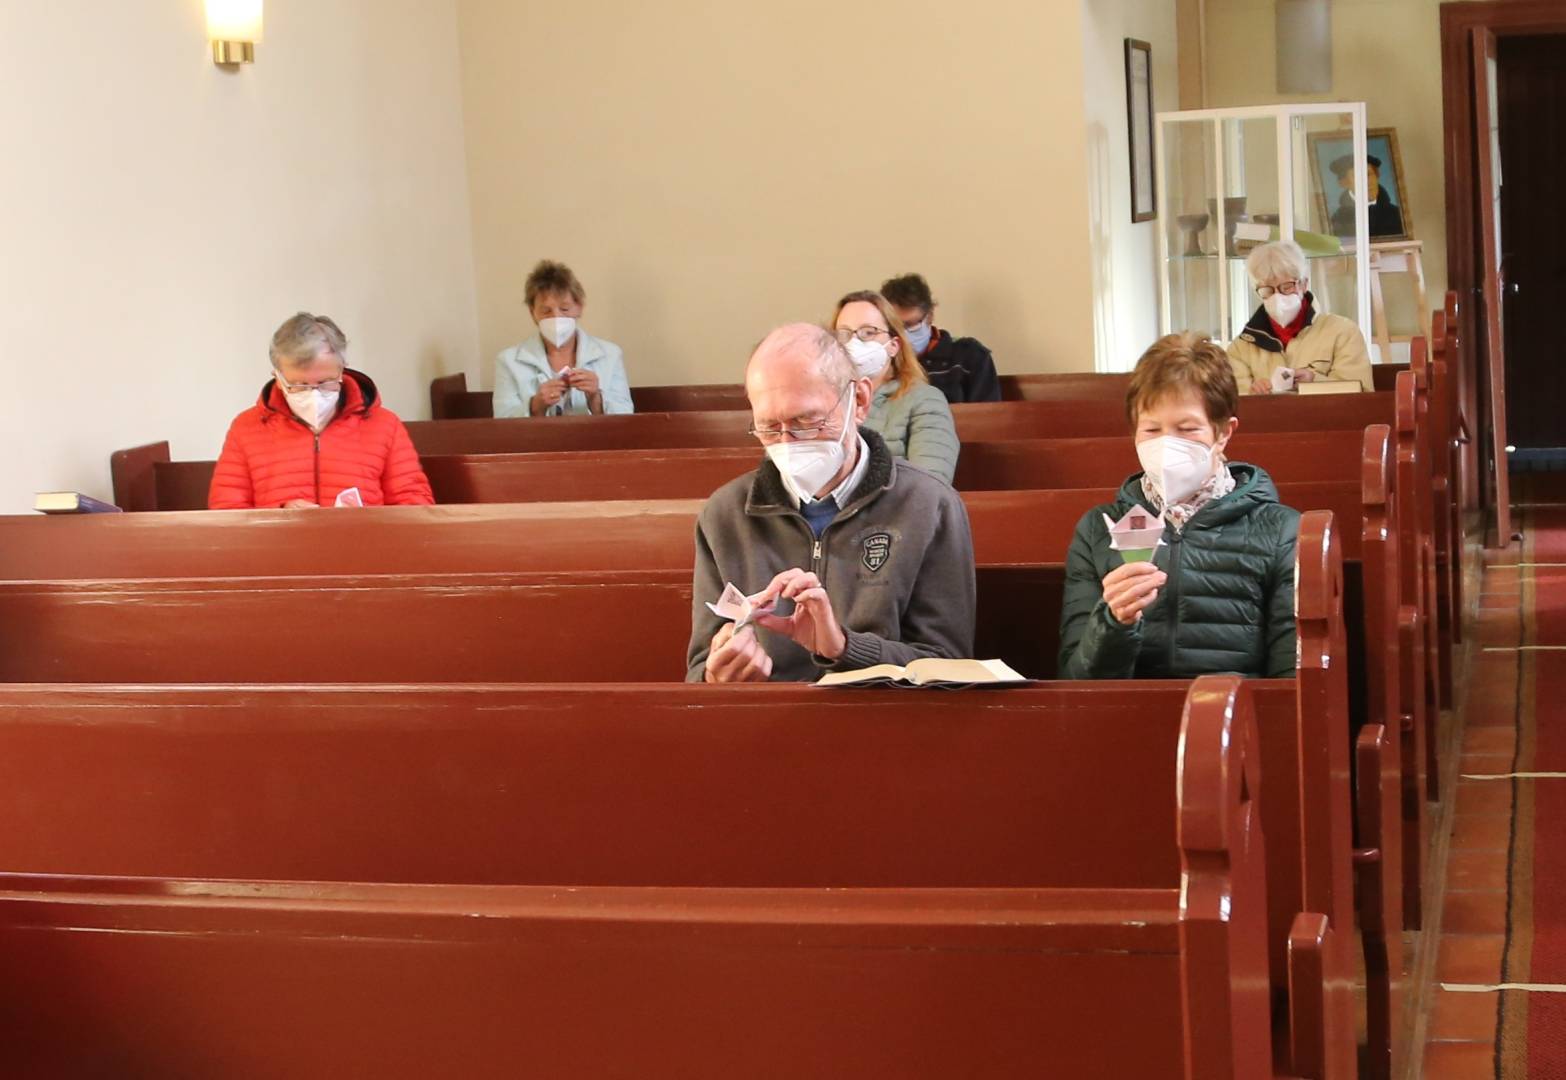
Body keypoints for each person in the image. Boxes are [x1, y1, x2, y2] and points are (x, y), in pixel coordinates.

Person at [686, 323, 976, 683]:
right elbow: (700, 668)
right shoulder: (725, 514)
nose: (788, 442)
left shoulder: (928, 504)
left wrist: (842, 648)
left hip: (885, 725)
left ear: (860, 401)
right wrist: (718, 678)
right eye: (768, 427)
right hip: (769, 728)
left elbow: (949, 663)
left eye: (807, 421)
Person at [1058, 332, 1299, 679]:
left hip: (1233, 724)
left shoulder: (1280, 531)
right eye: (1152, 430)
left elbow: (1291, 680)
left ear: (1223, 432)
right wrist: (1114, 622)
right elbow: (1075, 683)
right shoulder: (1101, 528)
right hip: (1126, 723)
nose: (1168, 446)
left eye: (1187, 429)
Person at [209, 313, 434, 509]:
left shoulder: (384, 425)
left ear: (342, 371)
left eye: (326, 382)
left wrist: (367, 518)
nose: (314, 395)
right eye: (298, 385)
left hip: (365, 554)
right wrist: (278, 516)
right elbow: (227, 512)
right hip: (278, 555)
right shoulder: (247, 428)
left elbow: (415, 505)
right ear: (277, 377)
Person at [829, 290, 960, 484]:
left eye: (868, 332)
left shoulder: (925, 400)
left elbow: (931, 484)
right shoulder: (823, 402)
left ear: (893, 345)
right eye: (844, 334)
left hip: (897, 511)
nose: (854, 342)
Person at [1227, 240, 1374, 394]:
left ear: (1303, 284)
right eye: (1267, 290)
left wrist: (1314, 381)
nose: (1278, 297)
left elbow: (1362, 397)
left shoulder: (1343, 332)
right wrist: (1254, 393)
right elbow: (1231, 405)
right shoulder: (1240, 348)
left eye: (1287, 286)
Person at [493, 260, 632, 418]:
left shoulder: (610, 354)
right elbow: (502, 422)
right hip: (536, 442)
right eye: (546, 311)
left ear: (579, 307)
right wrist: (535, 406)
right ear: (533, 313)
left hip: (594, 441)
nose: (556, 317)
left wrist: (595, 398)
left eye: (565, 309)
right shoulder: (508, 360)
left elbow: (626, 417)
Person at [880, 272, 1001, 404]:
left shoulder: (970, 356)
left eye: (911, 325)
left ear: (930, 315)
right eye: (895, 327)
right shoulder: (878, 359)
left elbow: (988, 416)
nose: (903, 334)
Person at [1329, 153, 1405, 239]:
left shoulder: (1397, 214)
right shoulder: (1338, 220)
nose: (1367, 182)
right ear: (1344, 183)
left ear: (1377, 176)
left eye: (1368, 174)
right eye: (1358, 177)